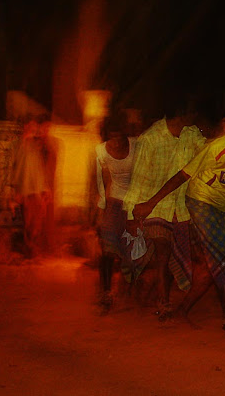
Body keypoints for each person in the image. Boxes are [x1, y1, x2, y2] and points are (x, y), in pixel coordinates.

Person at [133, 97, 225, 336]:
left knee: (220, 261)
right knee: (222, 256)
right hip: (201, 201)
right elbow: (182, 176)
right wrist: (150, 203)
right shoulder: (217, 148)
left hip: (224, 205)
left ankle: (183, 310)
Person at [122, 95, 206, 321]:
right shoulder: (150, 139)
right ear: (183, 114)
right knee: (163, 251)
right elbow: (138, 179)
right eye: (193, 112)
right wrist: (132, 214)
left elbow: (208, 155)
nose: (196, 116)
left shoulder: (192, 134)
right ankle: (164, 301)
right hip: (154, 206)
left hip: (182, 207)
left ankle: (149, 287)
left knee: (169, 257)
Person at [95, 112, 137, 314]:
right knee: (107, 251)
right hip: (112, 205)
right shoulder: (101, 152)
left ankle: (127, 291)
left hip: (133, 206)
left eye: (119, 137)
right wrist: (98, 212)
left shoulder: (135, 146)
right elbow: (99, 183)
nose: (116, 142)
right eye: (111, 137)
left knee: (131, 252)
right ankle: (106, 292)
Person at [11, 114, 57, 258]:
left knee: (37, 220)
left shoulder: (33, 146)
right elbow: (16, 168)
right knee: (28, 220)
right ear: (25, 128)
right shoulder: (18, 145)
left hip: (36, 188)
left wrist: (45, 188)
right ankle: (28, 249)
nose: (34, 130)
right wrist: (15, 189)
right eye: (31, 127)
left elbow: (38, 169)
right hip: (25, 188)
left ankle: (31, 248)